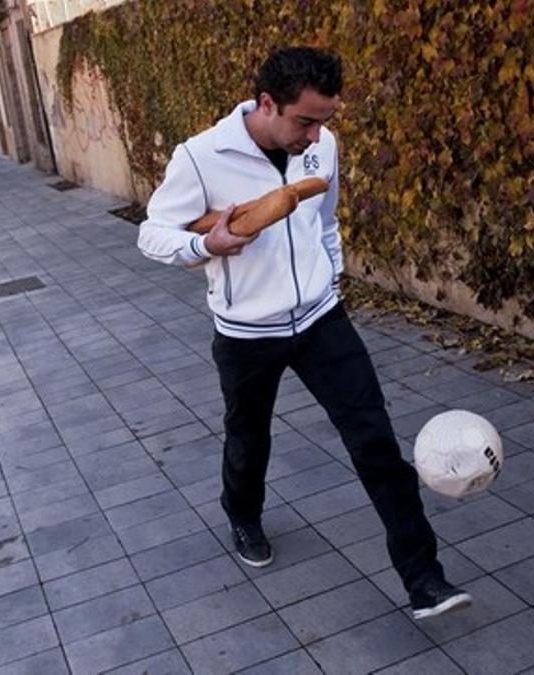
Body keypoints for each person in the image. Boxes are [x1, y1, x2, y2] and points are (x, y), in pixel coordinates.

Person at [136, 47, 471, 620]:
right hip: (246, 332)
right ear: (267, 104)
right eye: (306, 120)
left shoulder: (322, 145)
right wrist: (205, 245)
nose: (317, 134)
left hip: (320, 318)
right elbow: (151, 232)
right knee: (249, 439)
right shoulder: (200, 157)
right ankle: (242, 512)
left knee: (376, 444)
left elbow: (326, 218)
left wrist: (331, 273)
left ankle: (425, 582)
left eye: (327, 120)